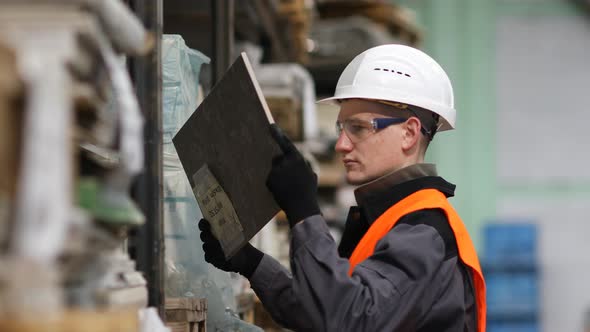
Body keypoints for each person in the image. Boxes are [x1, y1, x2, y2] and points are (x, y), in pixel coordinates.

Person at [199, 44, 486, 331]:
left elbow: (345, 318)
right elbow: (320, 311)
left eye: (358, 128)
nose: (341, 145)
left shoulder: (424, 232)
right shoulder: (391, 221)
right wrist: (251, 263)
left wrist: (303, 212)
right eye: (341, 129)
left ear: (409, 133)